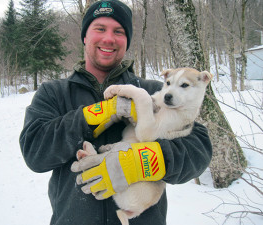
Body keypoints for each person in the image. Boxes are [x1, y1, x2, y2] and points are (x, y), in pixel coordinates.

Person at [19, 1, 212, 225]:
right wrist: (91, 116)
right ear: (84, 36)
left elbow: (199, 149)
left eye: (118, 31)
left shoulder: (154, 91)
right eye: (100, 29)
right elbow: (35, 151)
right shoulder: (54, 93)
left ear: (126, 41)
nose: (109, 38)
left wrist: (144, 162)